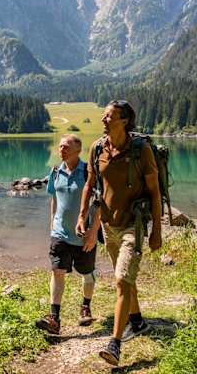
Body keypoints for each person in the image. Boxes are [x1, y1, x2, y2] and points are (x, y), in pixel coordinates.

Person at [76, 100, 162, 367]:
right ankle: (136, 322)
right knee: (123, 277)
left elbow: (155, 191)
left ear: (124, 120)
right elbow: (90, 184)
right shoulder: (97, 148)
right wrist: (82, 215)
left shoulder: (141, 150)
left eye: (109, 116)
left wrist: (157, 229)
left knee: (121, 282)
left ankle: (114, 344)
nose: (104, 119)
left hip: (133, 225)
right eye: (104, 115)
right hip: (108, 225)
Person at [35, 134, 99, 335]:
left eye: (66, 147)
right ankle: (54, 318)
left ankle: (85, 306)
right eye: (60, 146)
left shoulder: (89, 172)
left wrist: (93, 232)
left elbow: (98, 203)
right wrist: (52, 224)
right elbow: (54, 199)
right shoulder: (55, 172)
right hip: (60, 234)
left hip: (84, 235)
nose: (61, 150)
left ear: (78, 150)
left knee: (87, 274)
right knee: (57, 271)